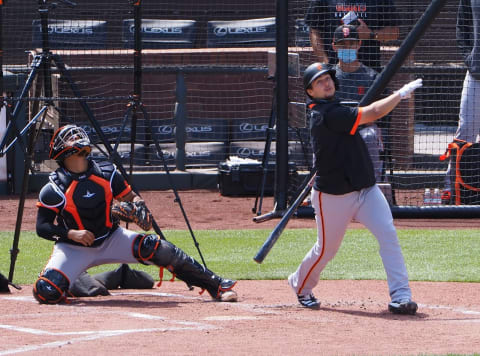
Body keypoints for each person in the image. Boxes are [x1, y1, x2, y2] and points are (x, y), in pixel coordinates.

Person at [33, 124, 237, 304]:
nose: (76, 140)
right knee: (46, 291)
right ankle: (76, 281)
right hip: (73, 248)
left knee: (160, 249)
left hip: (112, 238)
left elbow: (131, 197)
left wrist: (137, 206)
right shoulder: (54, 188)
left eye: (77, 137)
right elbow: (42, 227)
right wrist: (71, 234)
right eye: (71, 138)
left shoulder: (106, 172)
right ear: (62, 150)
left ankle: (217, 286)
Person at [287, 62, 422, 314]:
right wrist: (399, 95)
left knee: (388, 235)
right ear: (310, 92)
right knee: (326, 249)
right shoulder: (326, 114)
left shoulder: (335, 108)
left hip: (366, 190)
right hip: (334, 196)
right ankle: (300, 285)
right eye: (319, 81)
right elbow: (371, 112)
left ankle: (401, 295)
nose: (326, 82)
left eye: (327, 78)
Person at [332, 24, 386, 181]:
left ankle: (372, 186)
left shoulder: (372, 77)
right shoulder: (328, 78)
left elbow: (376, 115)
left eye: (351, 44)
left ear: (359, 44)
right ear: (334, 46)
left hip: (363, 129)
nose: (347, 48)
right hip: (335, 130)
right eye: (342, 44)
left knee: (370, 135)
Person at [443, 0, 480, 203]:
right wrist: (471, 58)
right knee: (465, 133)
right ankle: (452, 191)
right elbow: (462, 26)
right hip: (477, 75)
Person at [305, 0, 400, 73]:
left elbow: (394, 33)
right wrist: (326, 63)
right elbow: (314, 31)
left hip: (369, 71)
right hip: (334, 69)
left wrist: (371, 34)